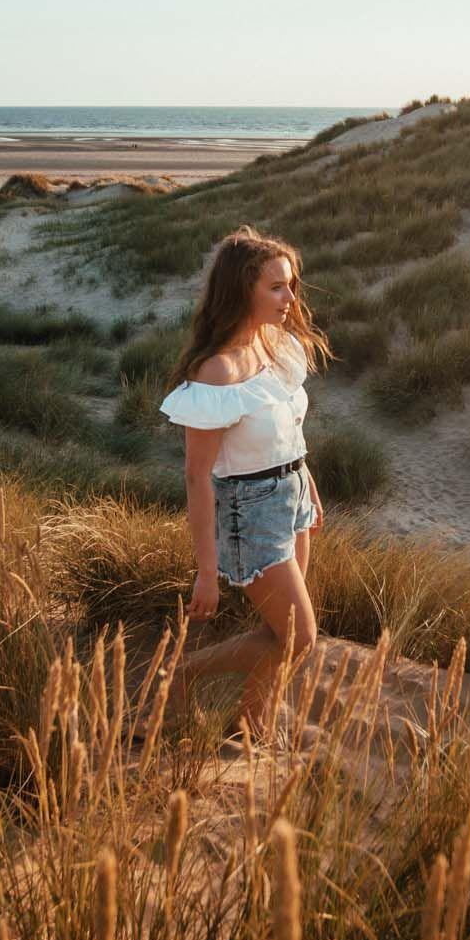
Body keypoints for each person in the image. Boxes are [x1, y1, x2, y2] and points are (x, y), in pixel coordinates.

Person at [157, 225, 333, 740]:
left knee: (280, 632)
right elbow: (195, 475)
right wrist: (206, 574)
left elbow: (291, 431)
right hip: (249, 511)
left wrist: (310, 490)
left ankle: (253, 720)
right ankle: (185, 674)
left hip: (292, 495)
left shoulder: (278, 346)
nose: (290, 297)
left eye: (292, 284)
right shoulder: (216, 374)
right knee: (301, 637)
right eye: (276, 287)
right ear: (243, 290)